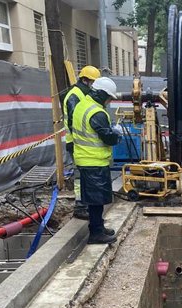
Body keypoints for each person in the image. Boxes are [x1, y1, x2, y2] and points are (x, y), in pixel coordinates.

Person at [72, 77, 124, 245]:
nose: (109, 101)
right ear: (101, 94)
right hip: (94, 160)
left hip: (85, 158)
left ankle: (99, 227)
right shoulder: (97, 112)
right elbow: (107, 138)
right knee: (96, 200)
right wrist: (116, 134)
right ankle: (96, 233)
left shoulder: (82, 105)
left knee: (95, 199)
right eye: (109, 97)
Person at [63, 65, 101, 220]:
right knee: (80, 176)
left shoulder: (80, 94)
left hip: (78, 142)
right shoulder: (75, 96)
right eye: (93, 82)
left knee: (84, 175)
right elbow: (75, 122)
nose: (94, 86)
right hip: (76, 143)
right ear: (85, 80)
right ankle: (80, 207)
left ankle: (85, 204)